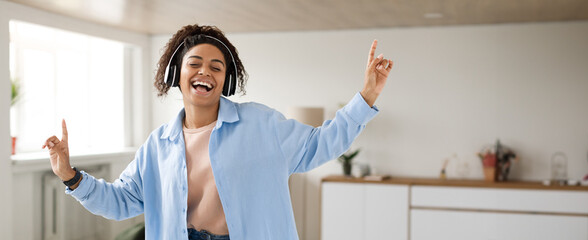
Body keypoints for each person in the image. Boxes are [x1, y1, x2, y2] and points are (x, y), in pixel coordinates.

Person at [42, 24, 393, 239]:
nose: (204, 72)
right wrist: (69, 175)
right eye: (194, 64)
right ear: (176, 74)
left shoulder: (261, 124)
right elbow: (120, 203)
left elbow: (322, 143)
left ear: (225, 80)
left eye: (216, 66)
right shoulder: (157, 145)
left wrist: (367, 96)